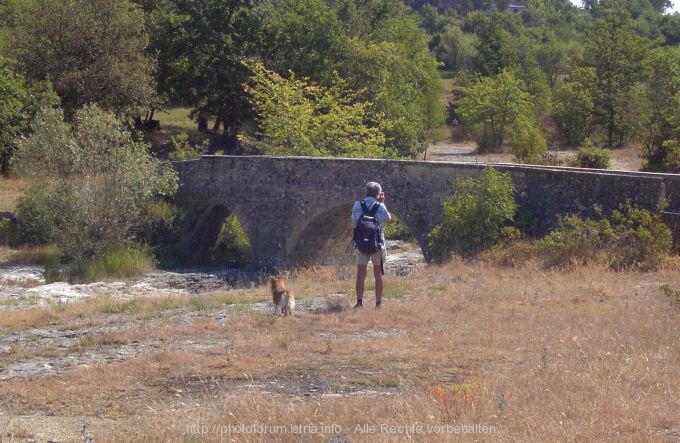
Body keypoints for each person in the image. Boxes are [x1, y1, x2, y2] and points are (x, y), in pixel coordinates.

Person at [352, 181, 391, 308]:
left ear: (366, 192)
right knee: (377, 274)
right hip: (377, 245)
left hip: (361, 244)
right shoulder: (380, 206)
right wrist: (382, 203)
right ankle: (378, 303)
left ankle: (359, 302)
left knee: (360, 274)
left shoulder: (358, 205)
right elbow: (388, 219)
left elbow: (354, 221)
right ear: (378, 194)